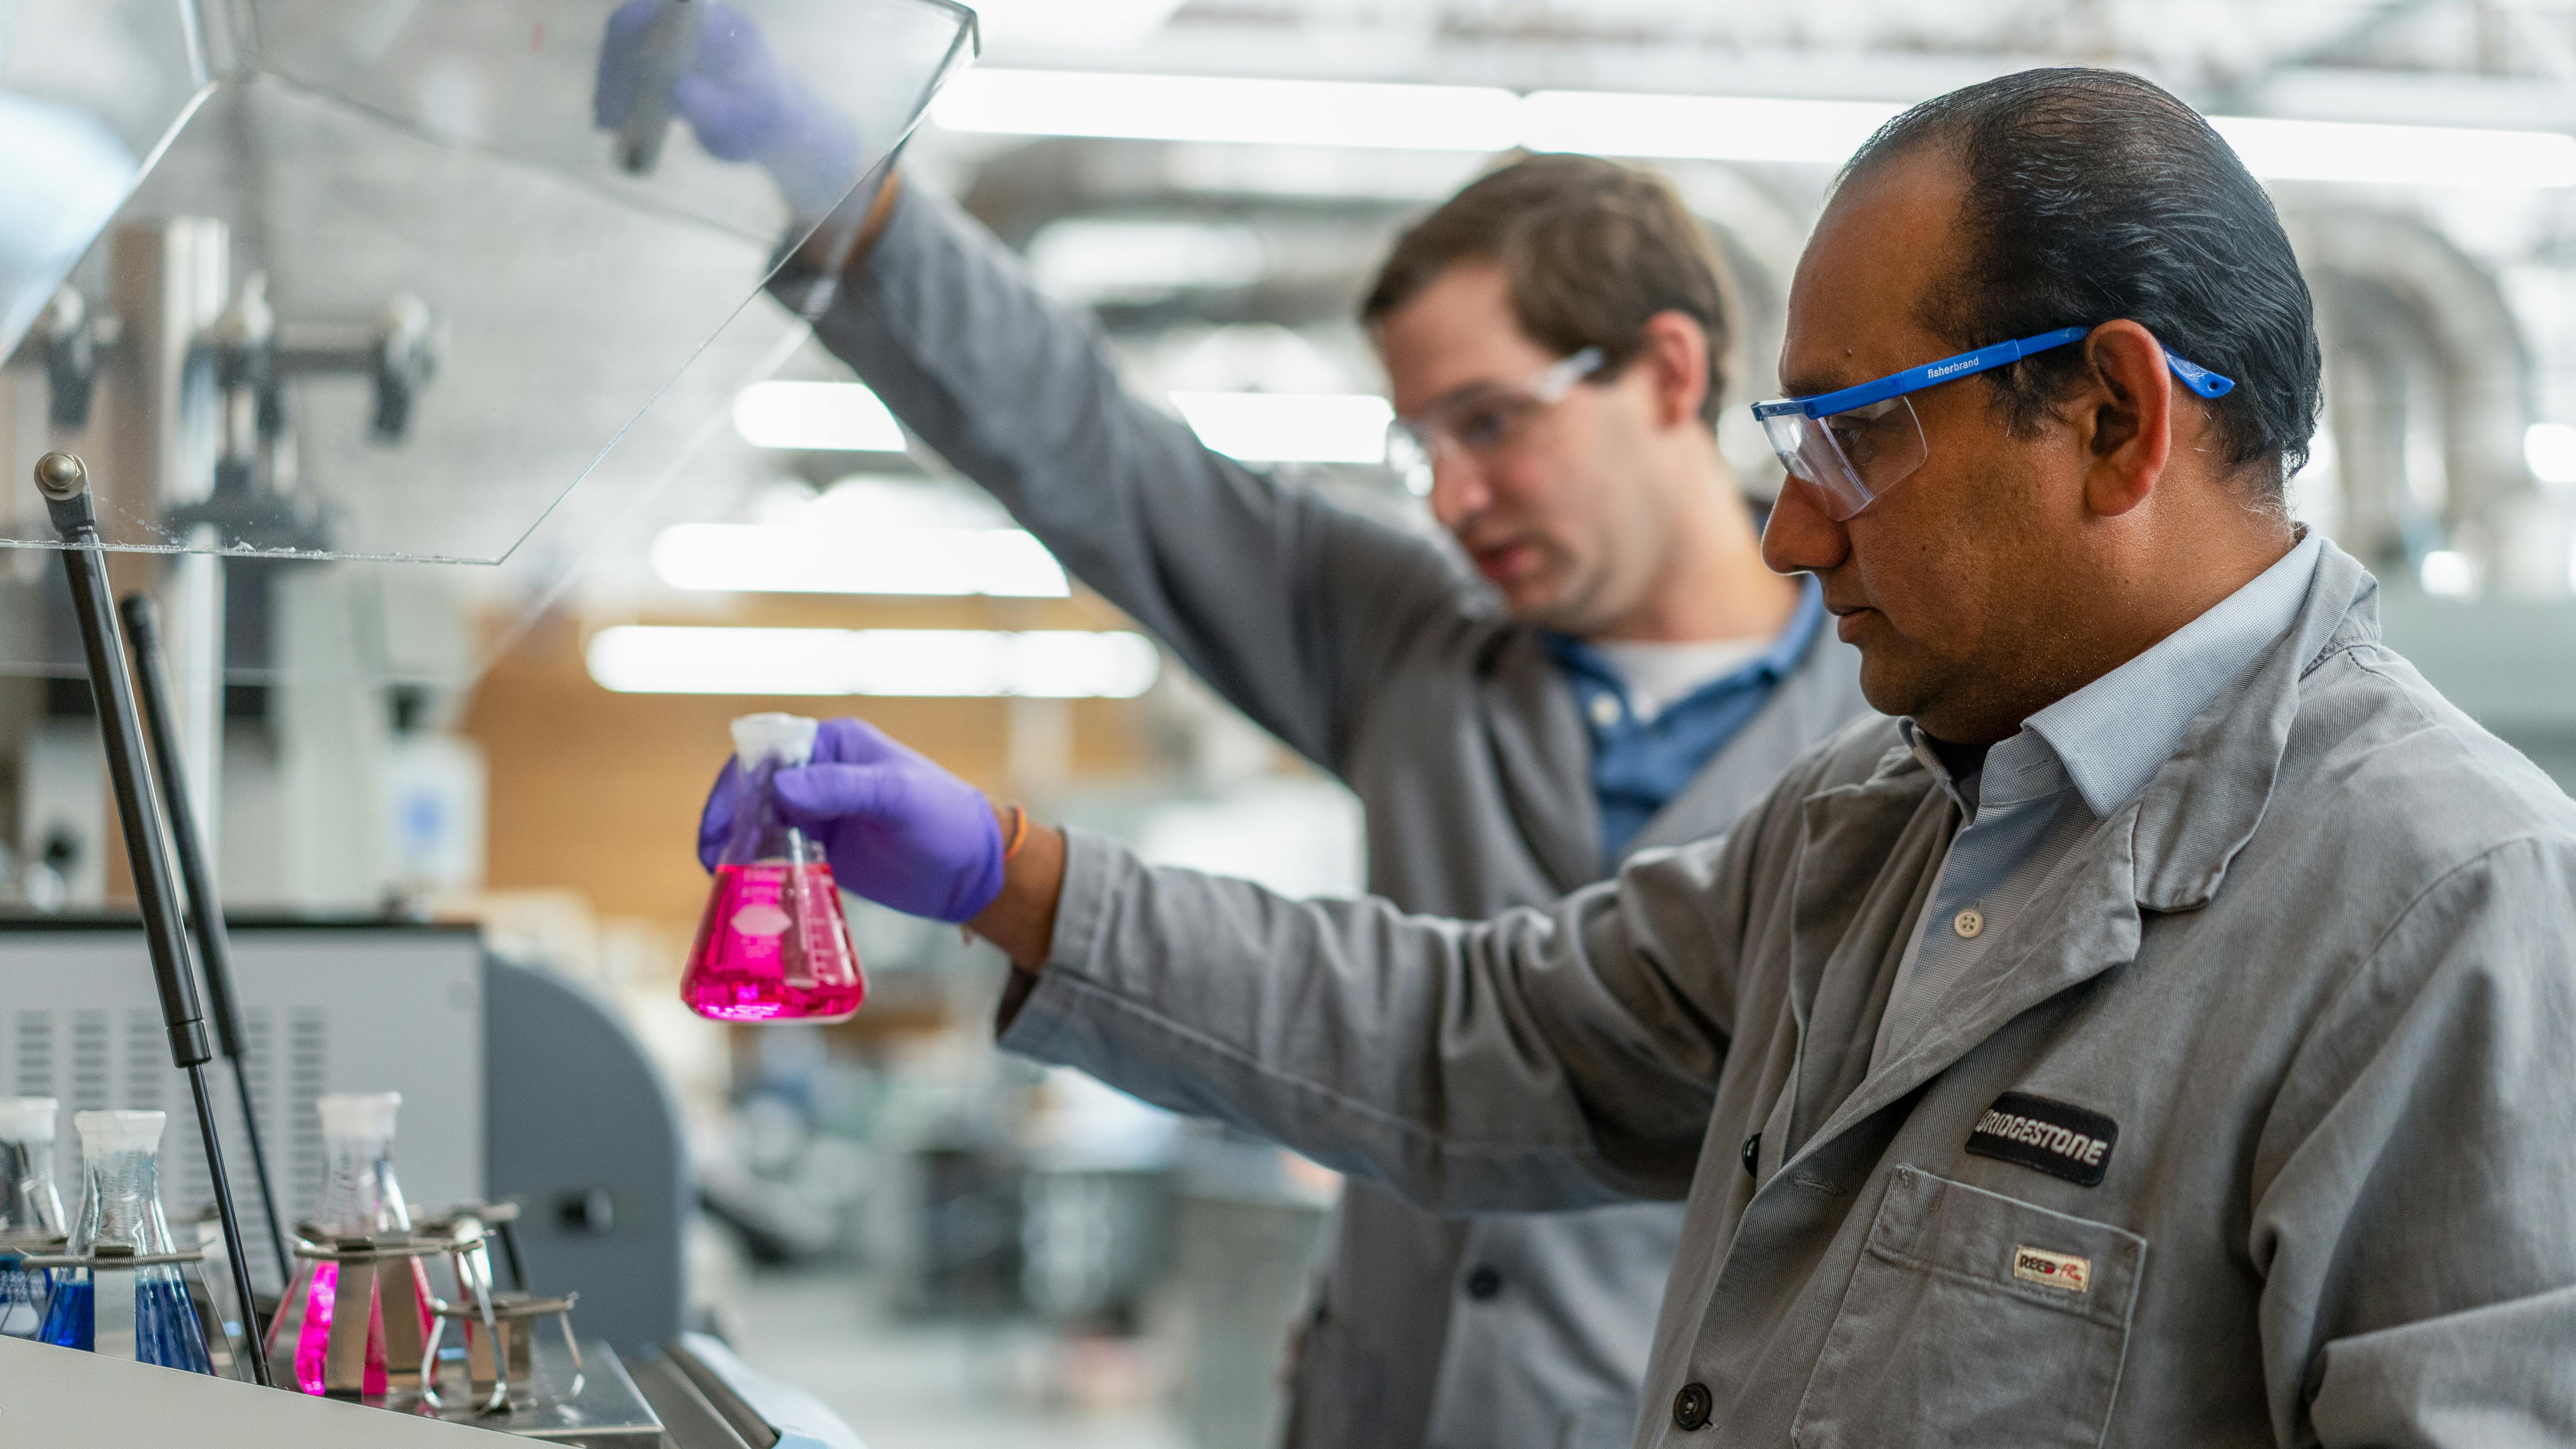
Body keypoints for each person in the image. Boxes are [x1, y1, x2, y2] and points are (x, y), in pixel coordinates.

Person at [698, 66, 2576, 1445]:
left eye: (1853, 444)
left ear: (2109, 416)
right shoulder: (1863, 829)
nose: (1795, 531)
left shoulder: (2448, 915)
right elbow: (1486, 1041)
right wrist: (1012, 877)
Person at [605, 11, 1873, 1447]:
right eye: (1421, 444)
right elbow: (1105, 458)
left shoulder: (1888, 739)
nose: (1449, 499)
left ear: (1667, 371)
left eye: (1490, 423)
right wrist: (847, 192)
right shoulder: (1414, 635)